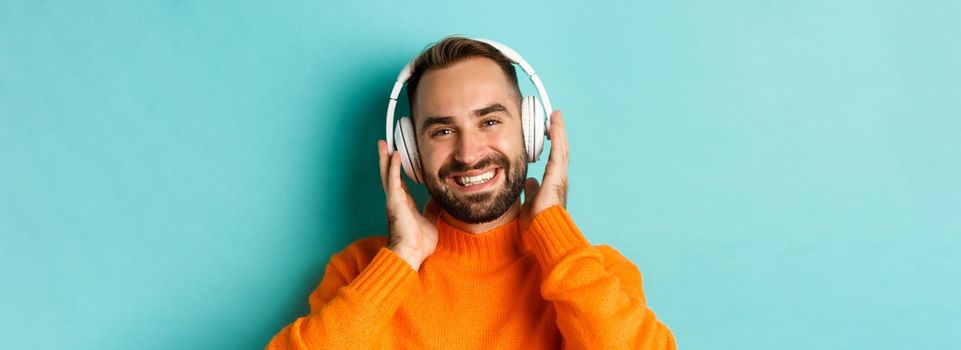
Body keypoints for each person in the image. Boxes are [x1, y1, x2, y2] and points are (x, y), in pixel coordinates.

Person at [266, 36, 675, 349]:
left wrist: (555, 236)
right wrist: (403, 258)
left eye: (490, 121)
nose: (468, 153)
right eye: (442, 130)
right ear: (410, 153)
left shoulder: (595, 273)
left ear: (531, 132)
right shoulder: (361, 272)